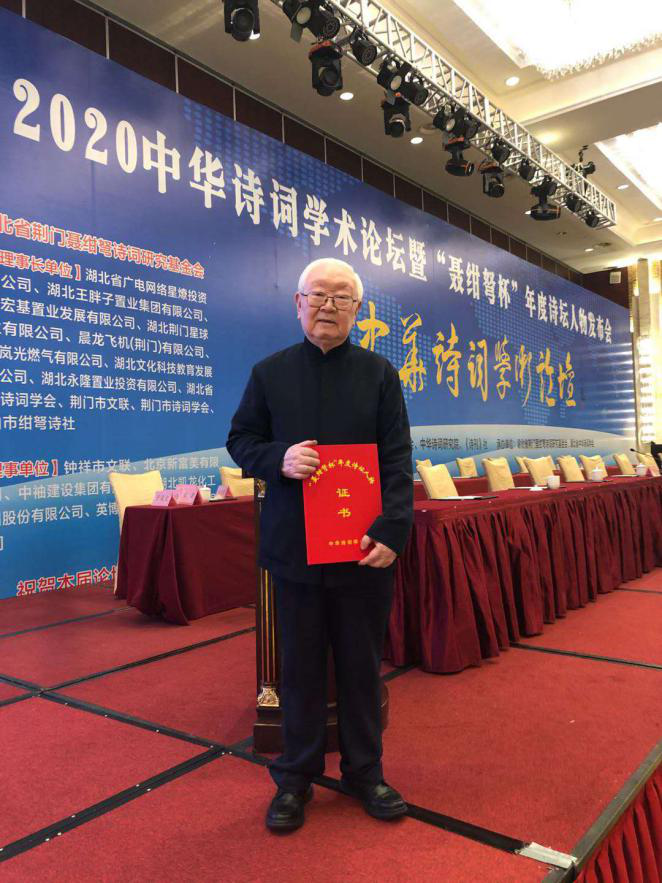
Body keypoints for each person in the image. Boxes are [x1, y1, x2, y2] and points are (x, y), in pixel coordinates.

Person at [226, 257, 413, 831]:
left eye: (341, 298)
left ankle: (365, 771)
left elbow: (398, 458)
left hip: (363, 549)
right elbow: (240, 440)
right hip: (296, 550)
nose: (328, 306)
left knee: (361, 665)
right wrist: (277, 459)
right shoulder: (270, 373)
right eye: (318, 295)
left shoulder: (379, 374)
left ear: (358, 309)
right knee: (301, 668)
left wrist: (393, 531)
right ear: (298, 304)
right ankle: (295, 778)